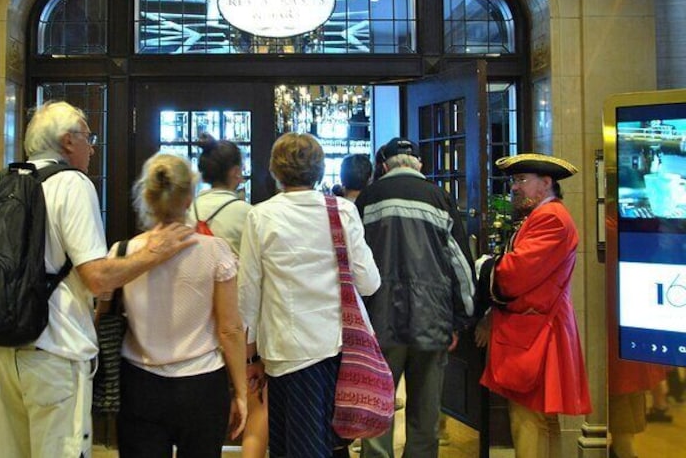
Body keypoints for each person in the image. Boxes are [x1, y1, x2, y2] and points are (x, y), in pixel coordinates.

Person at [0, 101, 195, 458]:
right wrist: (154, 253)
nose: (93, 146)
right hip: (54, 353)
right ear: (68, 141)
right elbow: (98, 279)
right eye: (88, 137)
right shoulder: (71, 184)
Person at [239, 132, 381, 458]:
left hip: (284, 349)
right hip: (337, 348)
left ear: (275, 169)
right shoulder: (342, 211)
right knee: (331, 443)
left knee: (292, 443)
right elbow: (370, 282)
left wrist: (250, 358)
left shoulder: (260, 216)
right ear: (319, 170)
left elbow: (247, 296)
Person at [117, 153, 248, 458]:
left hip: (140, 381)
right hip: (202, 383)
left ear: (147, 198)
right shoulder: (215, 252)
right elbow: (229, 328)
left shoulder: (123, 253)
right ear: (190, 198)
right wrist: (240, 391)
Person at [355, 137, 476, 458]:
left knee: (378, 410)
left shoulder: (368, 198)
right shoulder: (440, 199)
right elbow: (461, 267)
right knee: (425, 415)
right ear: (420, 165)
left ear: (384, 165)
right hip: (432, 321)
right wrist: (461, 317)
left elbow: (353, 263)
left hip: (379, 323)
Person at [476, 153, 592, 458]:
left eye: (521, 180)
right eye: (514, 180)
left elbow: (514, 275)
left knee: (527, 419)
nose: (514, 187)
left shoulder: (550, 218)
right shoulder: (544, 215)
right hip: (537, 328)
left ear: (546, 183)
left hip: (538, 332)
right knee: (542, 419)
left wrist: (485, 266)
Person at [188, 134, 266, 458]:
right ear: (235, 172)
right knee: (255, 402)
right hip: (237, 320)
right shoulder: (248, 213)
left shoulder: (185, 210)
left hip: (192, 319)